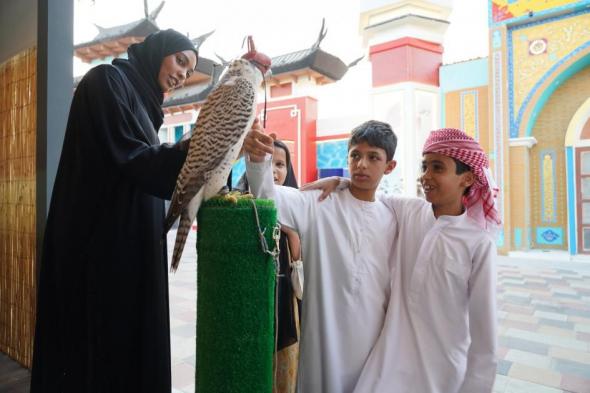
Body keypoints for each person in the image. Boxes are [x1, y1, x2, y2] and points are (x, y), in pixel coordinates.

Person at [31, 29, 198, 393]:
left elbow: (147, 164)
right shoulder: (107, 81)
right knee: (98, 357)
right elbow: (132, 159)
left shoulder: (146, 108)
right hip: (101, 254)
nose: (181, 74)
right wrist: (198, 146)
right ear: (158, 52)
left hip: (131, 252)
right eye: (180, 61)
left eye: (187, 72)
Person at [306, 128, 499, 393]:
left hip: (442, 370)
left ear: (466, 178)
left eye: (437, 168)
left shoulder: (478, 243)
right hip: (389, 361)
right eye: (424, 166)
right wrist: (341, 181)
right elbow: (369, 192)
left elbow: (485, 337)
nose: (426, 177)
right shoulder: (410, 210)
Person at [243, 120, 398, 393]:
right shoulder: (319, 202)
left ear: (389, 166)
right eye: (355, 155)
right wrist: (258, 160)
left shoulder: (393, 217)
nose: (362, 164)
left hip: (372, 343)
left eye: (373, 157)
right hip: (322, 342)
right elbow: (268, 196)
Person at [236, 139, 302, 393]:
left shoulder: (298, 208)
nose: (274, 170)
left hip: (286, 309)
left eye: (281, 164)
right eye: (268, 161)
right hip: (250, 308)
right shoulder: (239, 205)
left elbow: (302, 276)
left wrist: (292, 234)